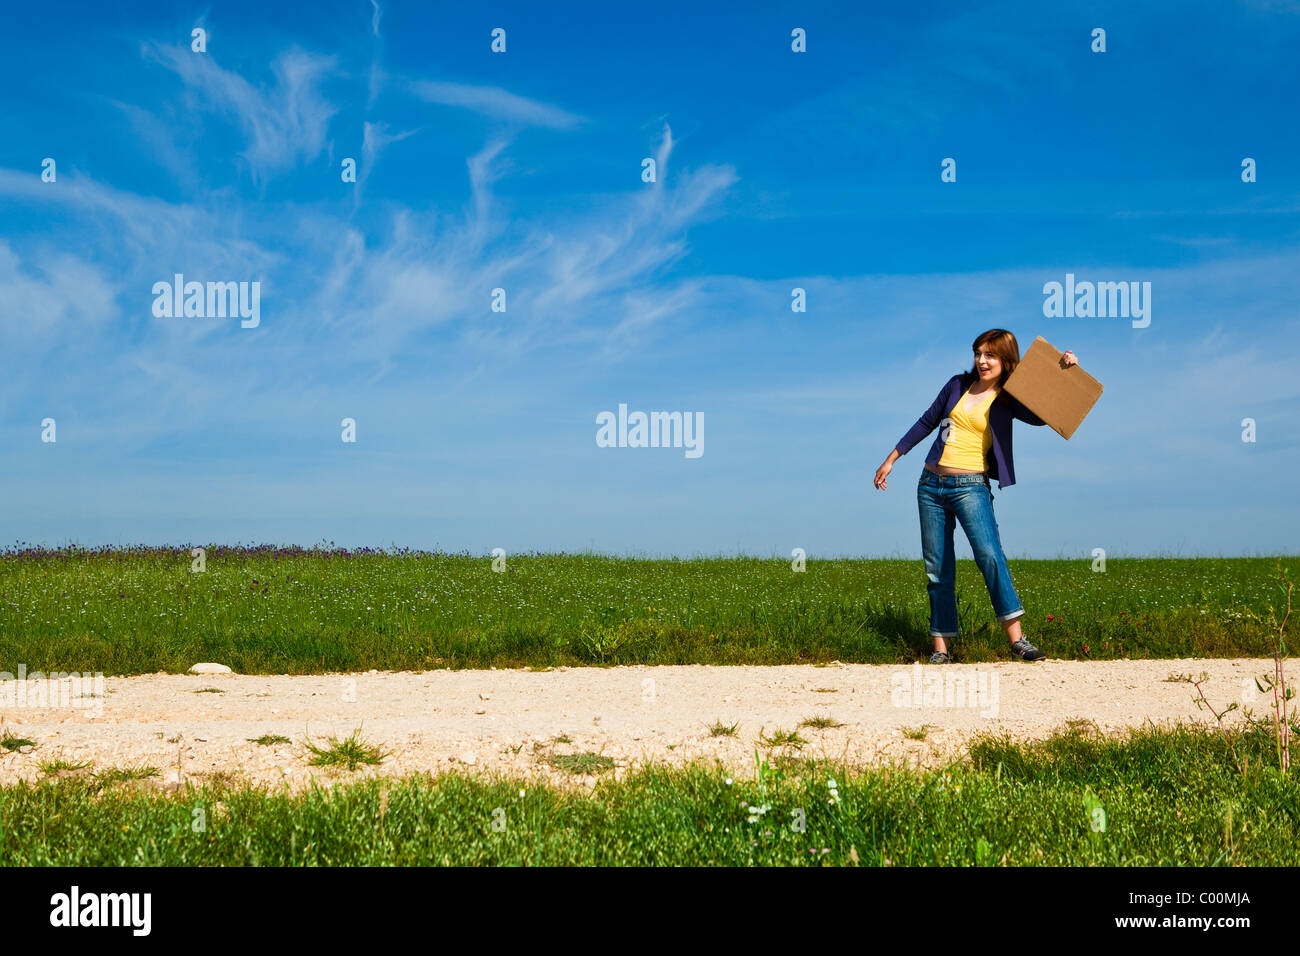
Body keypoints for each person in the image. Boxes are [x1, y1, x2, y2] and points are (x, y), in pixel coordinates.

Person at [873, 329, 1077, 663]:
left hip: (971, 486)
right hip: (930, 485)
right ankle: (941, 648)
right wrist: (891, 459)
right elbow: (926, 422)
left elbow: (1044, 415)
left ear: (1006, 360)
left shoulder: (1009, 397)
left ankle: (1018, 641)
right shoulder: (956, 385)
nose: (982, 361)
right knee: (937, 567)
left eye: (990, 355)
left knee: (990, 556)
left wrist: (1064, 370)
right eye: (978, 353)